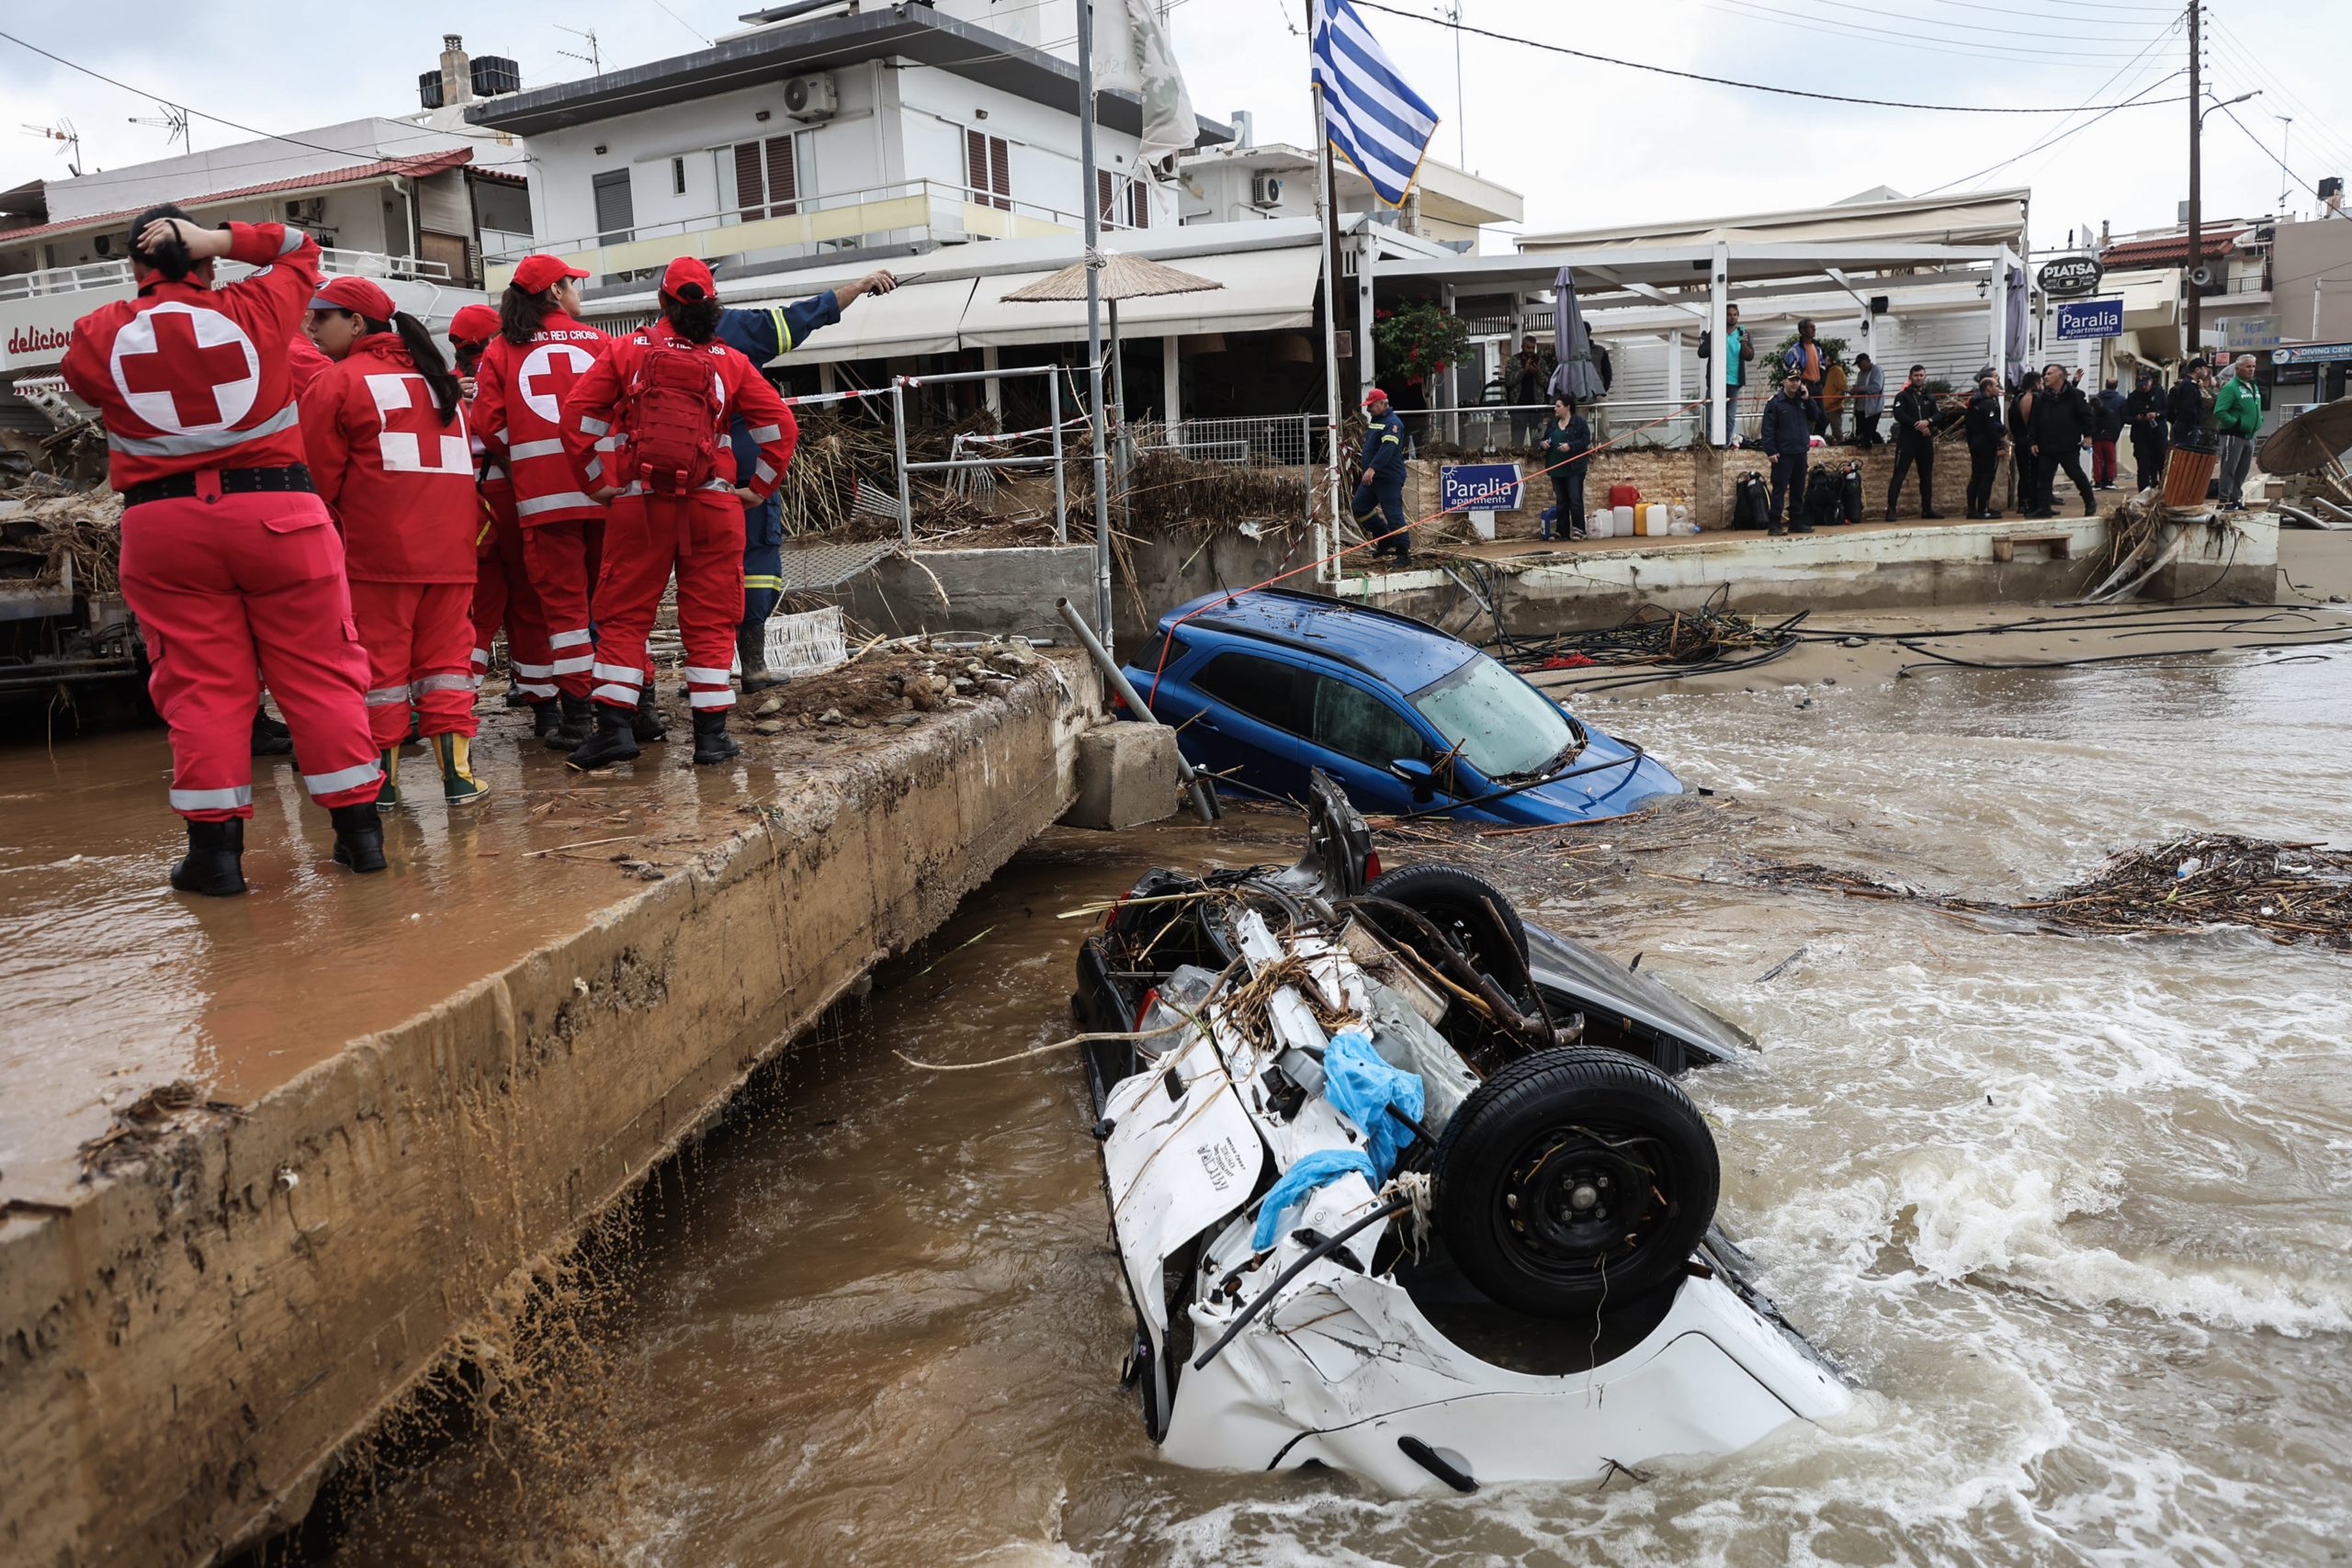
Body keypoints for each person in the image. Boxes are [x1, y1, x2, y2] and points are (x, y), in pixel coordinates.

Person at [60, 208, 383, 895]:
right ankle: (361, 839)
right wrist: (222, 241)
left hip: (166, 527)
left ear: (133, 268)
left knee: (201, 688)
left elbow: (84, 383)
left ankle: (215, 858)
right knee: (322, 674)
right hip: (280, 517)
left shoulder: (100, 331)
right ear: (206, 261)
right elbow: (301, 247)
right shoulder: (260, 305)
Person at [559, 257, 797, 771]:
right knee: (711, 620)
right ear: (712, 307)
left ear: (662, 302)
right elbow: (780, 427)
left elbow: (577, 418)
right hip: (714, 504)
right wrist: (756, 489)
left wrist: (599, 485)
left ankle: (614, 730)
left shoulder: (626, 349)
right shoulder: (730, 360)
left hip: (639, 503)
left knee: (623, 618)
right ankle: (711, 738)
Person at [300, 276, 488, 810]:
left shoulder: (337, 383)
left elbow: (317, 481)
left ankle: (382, 786)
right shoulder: (439, 382)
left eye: (322, 316)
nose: (311, 326)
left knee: (379, 673)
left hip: (377, 556)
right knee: (447, 664)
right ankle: (459, 778)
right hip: (452, 552)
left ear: (356, 324)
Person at [714, 271, 897, 692]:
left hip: (688, 480)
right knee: (756, 562)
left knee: (701, 569)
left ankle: (709, 671)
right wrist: (862, 284)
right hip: (744, 473)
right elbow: (807, 315)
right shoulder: (737, 330)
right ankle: (754, 667)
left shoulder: (643, 342)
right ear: (712, 297)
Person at [469, 254, 623, 750]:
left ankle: (576, 719)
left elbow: (488, 425)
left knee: (565, 613)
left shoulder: (501, 350)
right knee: (617, 606)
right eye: (573, 283)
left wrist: (531, 458)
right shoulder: (602, 343)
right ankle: (631, 710)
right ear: (555, 292)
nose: (579, 290)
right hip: (605, 494)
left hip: (542, 500)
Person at [449, 302, 554, 720]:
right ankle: (544, 709)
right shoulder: (509, 375)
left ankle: (456, 707)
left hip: (467, 506)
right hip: (513, 496)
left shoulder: (440, 388)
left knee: (475, 610)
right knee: (530, 604)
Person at [2026, 362, 2096, 518]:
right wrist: (2033, 441)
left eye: (2049, 374)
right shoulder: (2041, 398)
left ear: (2060, 375)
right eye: (2045, 374)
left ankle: (2090, 501)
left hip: (2068, 444)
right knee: (2044, 477)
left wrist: (2088, 435)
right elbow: (2034, 421)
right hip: (2046, 445)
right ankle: (2044, 508)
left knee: (2075, 473)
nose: (2045, 377)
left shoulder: (2075, 395)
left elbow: (2086, 416)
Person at [1353, 388, 1411, 564]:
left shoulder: (1393, 424)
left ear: (1381, 404)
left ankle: (1403, 553)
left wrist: (1372, 468)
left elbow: (1388, 449)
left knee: (1393, 515)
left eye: (1371, 406)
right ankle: (1385, 538)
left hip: (1388, 477)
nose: (1368, 410)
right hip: (1374, 478)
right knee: (1360, 507)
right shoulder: (1377, 421)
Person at [1885, 365, 1942, 521]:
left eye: (1921, 375)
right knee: (1899, 474)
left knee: (1926, 475)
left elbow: (1938, 414)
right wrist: (1918, 425)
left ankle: (1927, 509)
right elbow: (1899, 414)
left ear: (1925, 377)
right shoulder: (1903, 396)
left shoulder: (1928, 397)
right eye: (1916, 375)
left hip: (1924, 441)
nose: (1918, 378)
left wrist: (1928, 422)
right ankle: (1890, 510)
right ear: (1910, 377)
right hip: (1907, 440)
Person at [1759, 373, 1814, 536]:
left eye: (1797, 380)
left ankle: (1796, 520)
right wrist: (1770, 450)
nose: (1795, 384)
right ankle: (1775, 522)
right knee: (1780, 488)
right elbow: (1767, 429)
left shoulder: (1801, 401)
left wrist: (1808, 400)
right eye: (1791, 380)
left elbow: (1819, 417)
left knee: (1798, 488)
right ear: (1784, 381)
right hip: (1783, 454)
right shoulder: (1775, 403)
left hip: (1800, 451)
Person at [1534, 393, 1591, 541]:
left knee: (1575, 498)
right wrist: (1543, 444)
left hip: (1574, 468)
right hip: (1556, 467)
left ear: (1567, 407)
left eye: (1558, 406)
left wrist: (1570, 446)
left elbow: (1586, 439)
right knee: (1561, 500)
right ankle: (1562, 531)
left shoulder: (1578, 423)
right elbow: (1543, 439)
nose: (1555, 409)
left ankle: (1579, 529)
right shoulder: (1553, 424)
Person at [2213, 353, 2264, 510]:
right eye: (2248, 366)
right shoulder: (2230, 388)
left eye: (2253, 366)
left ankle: (2235, 499)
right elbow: (2220, 412)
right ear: (2238, 368)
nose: (2251, 370)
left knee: (2243, 470)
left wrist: (2259, 420)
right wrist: (2237, 423)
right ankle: (2224, 500)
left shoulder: (2253, 386)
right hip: (2233, 435)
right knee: (2229, 468)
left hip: (2250, 436)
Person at [1697, 304, 1753, 443]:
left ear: (1738, 316)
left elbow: (1750, 356)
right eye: (1729, 314)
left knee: (1730, 417)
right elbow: (1701, 352)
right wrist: (1715, 342)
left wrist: (1744, 344)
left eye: (1735, 314)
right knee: (1711, 416)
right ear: (1724, 316)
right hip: (1716, 382)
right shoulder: (1716, 332)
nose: (1732, 317)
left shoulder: (1742, 332)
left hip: (1734, 382)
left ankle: (1725, 445)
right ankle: (1710, 445)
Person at [1963, 374, 2007, 520]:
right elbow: (1990, 427)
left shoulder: (1973, 402)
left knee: (1975, 476)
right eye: (1996, 386)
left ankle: (1972, 510)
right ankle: (1983, 509)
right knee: (1986, 477)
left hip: (1975, 442)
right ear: (1988, 388)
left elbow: (1969, 426)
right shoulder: (1989, 404)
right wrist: (1998, 446)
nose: (1998, 388)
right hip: (1986, 444)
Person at [2125, 367, 2169, 491]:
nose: (2143, 388)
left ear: (2150, 382)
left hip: (2158, 434)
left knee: (2162, 463)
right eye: (2140, 386)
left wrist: (2157, 414)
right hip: (2141, 436)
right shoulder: (2133, 397)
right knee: (2143, 465)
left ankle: (2164, 490)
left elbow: (2168, 410)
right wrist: (2137, 419)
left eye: (2145, 385)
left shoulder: (2159, 393)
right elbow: (2125, 417)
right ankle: (2143, 491)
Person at [1781, 319, 1827, 434]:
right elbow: (1788, 368)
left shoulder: (1817, 347)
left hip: (1817, 386)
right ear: (1802, 330)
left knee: (1822, 418)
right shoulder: (1795, 350)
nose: (1814, 329)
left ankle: (1816, 440)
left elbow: (1822, 366)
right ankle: (1806, 441)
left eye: (1814, 327)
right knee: (1805, 416)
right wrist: (1799, 383)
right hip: (1805, 386)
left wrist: (1822, 381)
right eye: (1810, 327)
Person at [1506, 335, 1549, 447]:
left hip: (1536, 408)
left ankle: (1536, 463)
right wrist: (1524, 370)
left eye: (1532, 348)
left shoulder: (1541, 362)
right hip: (1518, 408)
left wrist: (1537, 372)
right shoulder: (1513, 361)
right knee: (1517, 441)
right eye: (1528, 347)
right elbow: (1509, 381)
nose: (1530, 350)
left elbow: (1547, 383)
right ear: (1522, 346)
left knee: (1537, 441)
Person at [2167, 358, 2216, 454]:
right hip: (2186, 428)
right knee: (2185, 455)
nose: (2206, 372)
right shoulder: (2189, 386)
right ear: (2197, 369)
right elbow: (2188, 408)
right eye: (2204, 368)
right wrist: (2190, 426)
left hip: (2184, 426)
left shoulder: (2191, 385)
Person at [2007, 371, 2040, 516]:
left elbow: (2012, 420)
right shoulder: (2036, 398)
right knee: (2035, 473)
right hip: (2033, 440)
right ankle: (2032, 503)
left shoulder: (2016, 399)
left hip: (2019, 439)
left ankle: (2022, 503)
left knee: (2023, 474)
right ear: (2036, 384)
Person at [2090, 376, 2128, 489]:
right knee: (2110, 458)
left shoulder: (2095, 399)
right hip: (2111, 435)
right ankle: (2109, 481)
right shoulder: (2121, 400)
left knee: (2097, 459)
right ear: (2116, 386)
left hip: (2096, 435)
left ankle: (2097, 481)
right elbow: (2124, 417)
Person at [1849, 354, 1885, 447]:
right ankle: (1879, 445)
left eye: (1861, 364)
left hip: (1873, 408)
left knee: (1869, 431)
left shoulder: (1876, 370)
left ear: (1868, 361)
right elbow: (1859, 387)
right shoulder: (1860, 374)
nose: (1859, 366)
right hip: (1860, 407)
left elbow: (1877, 387)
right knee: (1860, 431)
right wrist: (1854, 391)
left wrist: (1860, 389)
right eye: (1858, 365)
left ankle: (1878, 446)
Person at [1821, 355, 1849, 444]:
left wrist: (1831, 401)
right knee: (1820, 430)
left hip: (1834, 408)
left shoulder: (1837, 371)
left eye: (1823, 359)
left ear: (1829, 359)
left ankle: (1842, 451)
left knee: (1837, 433)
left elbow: (1843, 390)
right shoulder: (1828, 372)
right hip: (1826, 407)